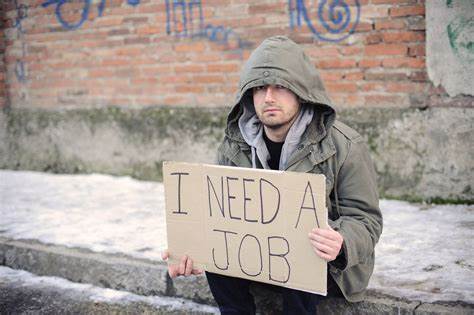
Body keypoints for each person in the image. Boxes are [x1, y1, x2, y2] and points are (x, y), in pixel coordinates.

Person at [162, 35, 383, 314]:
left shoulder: (345, 145)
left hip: (328, 267)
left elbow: (367, 220)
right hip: (259, 260)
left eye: (280, 87)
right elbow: (217, 216)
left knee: (299, 240)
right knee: (220, 245)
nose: (268, 98)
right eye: (259, 88)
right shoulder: (235, 144)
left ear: (302, 91)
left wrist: (341, 241)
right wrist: (191, 249)